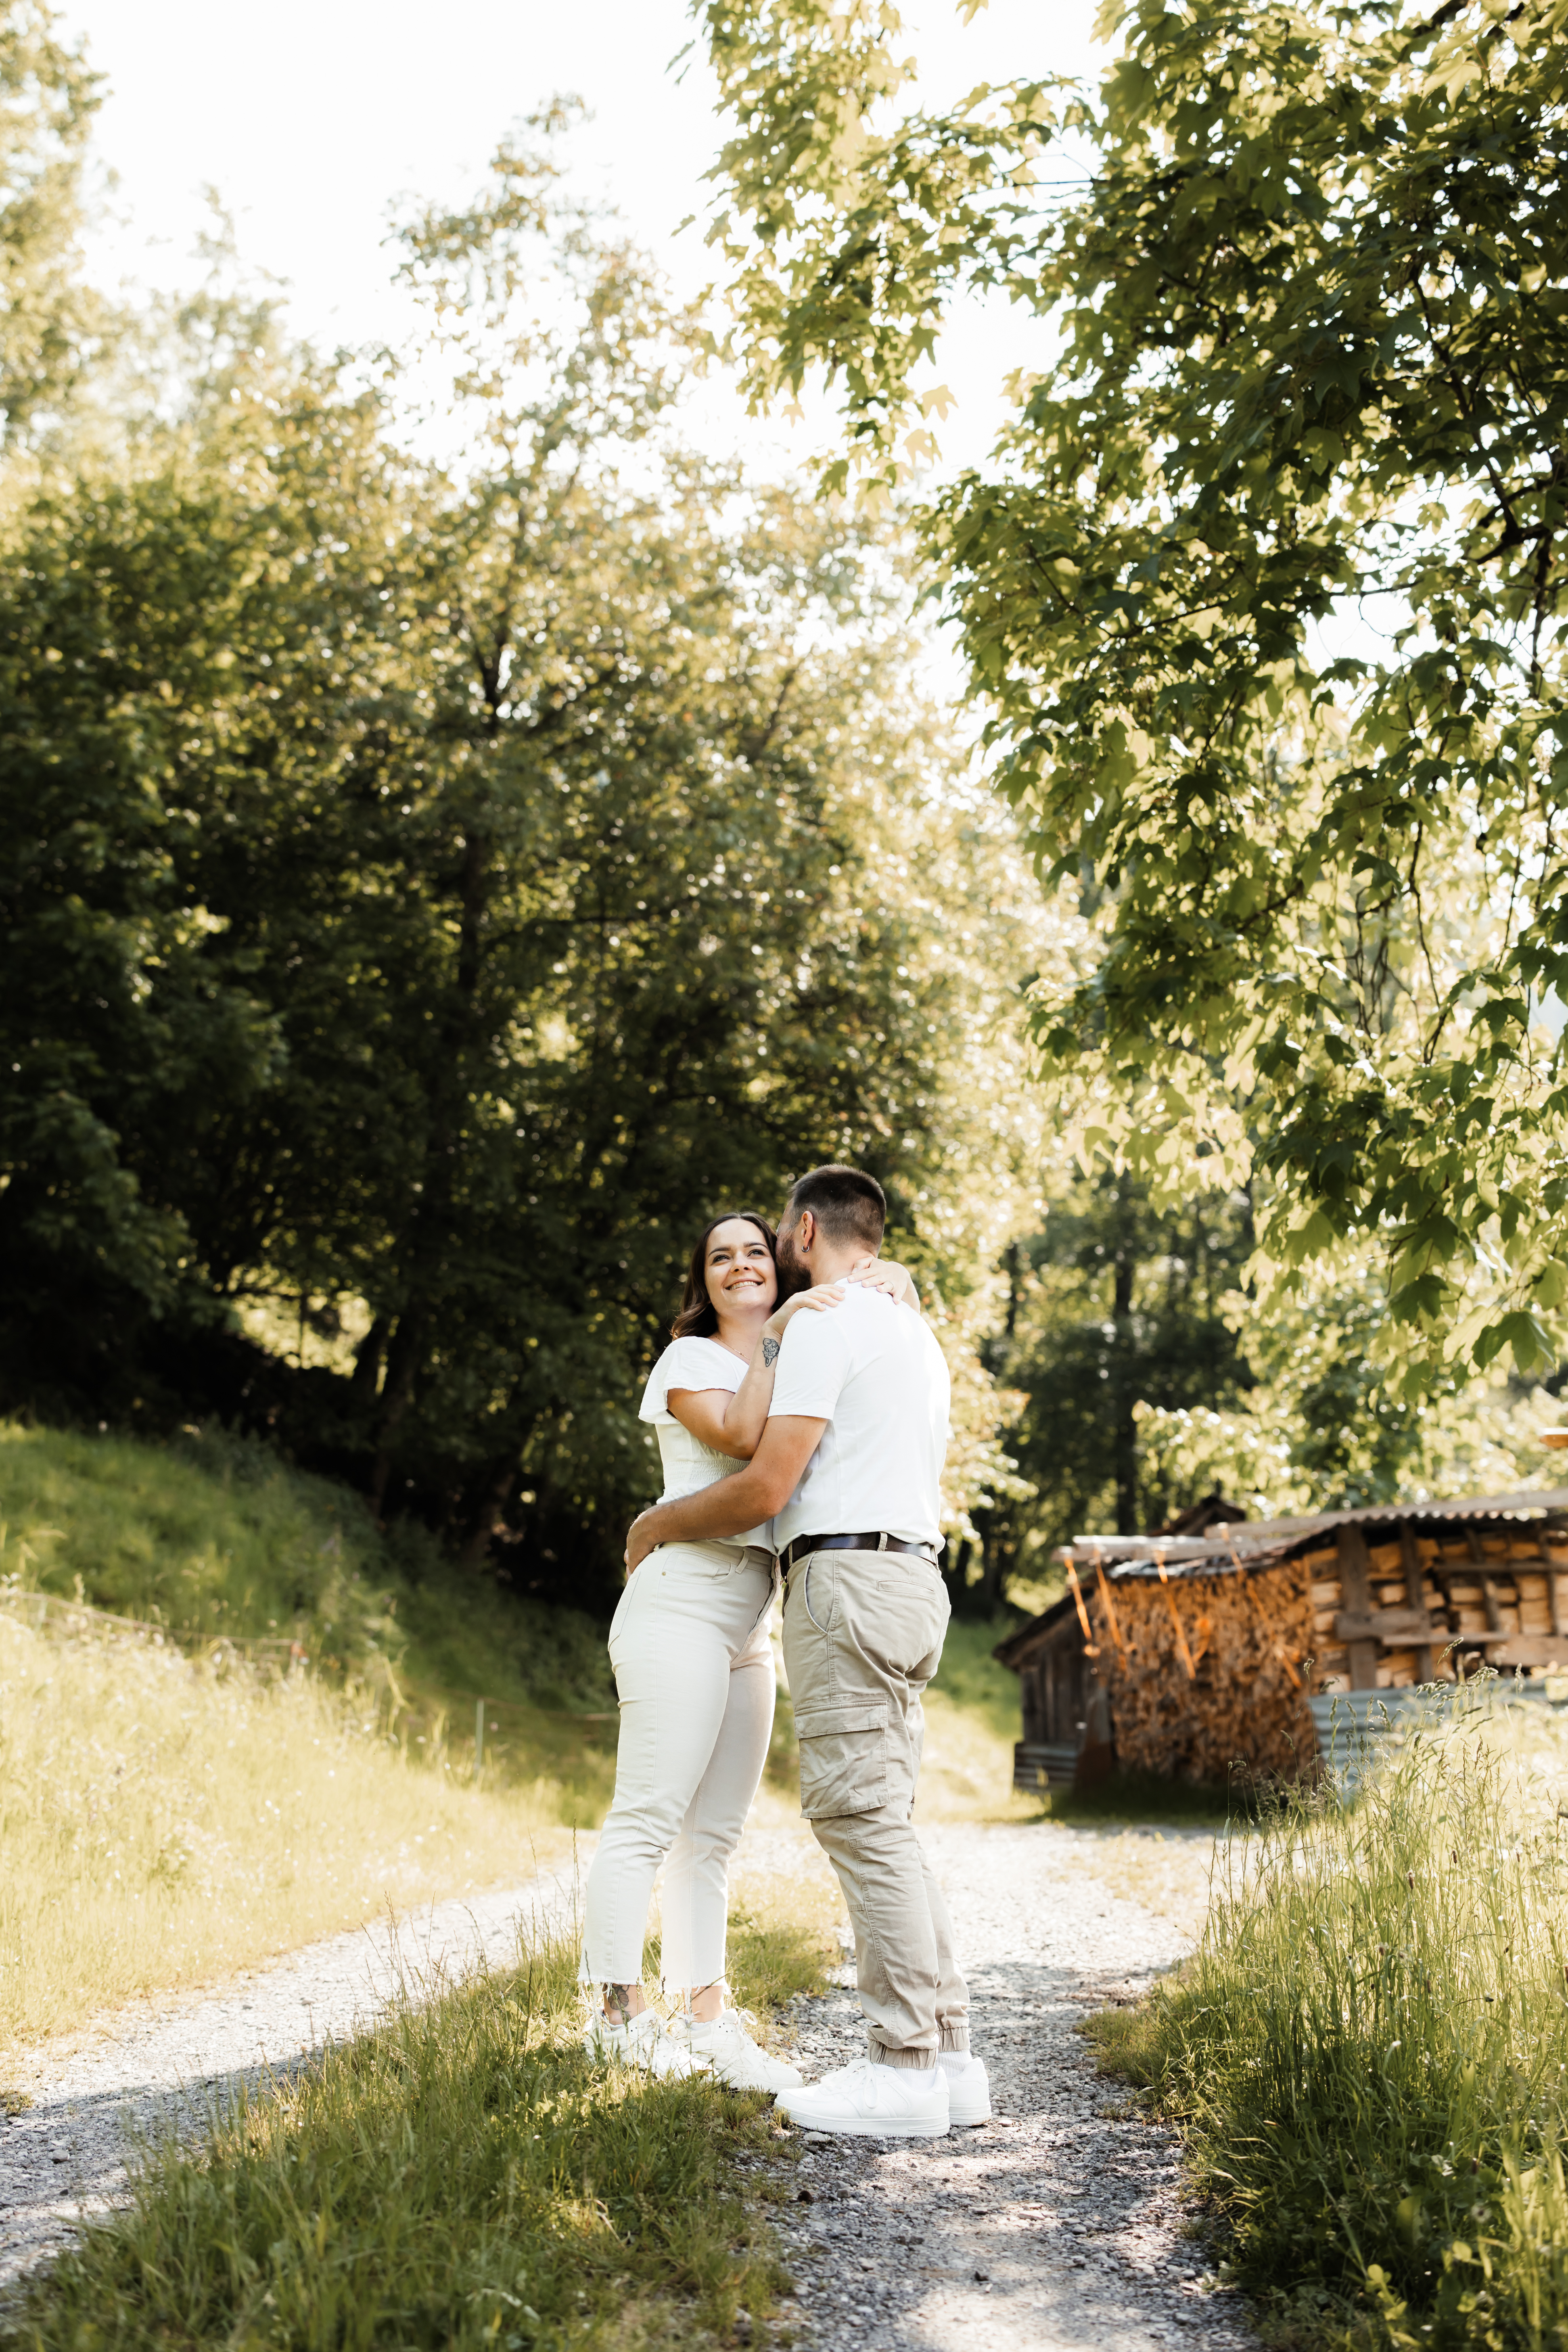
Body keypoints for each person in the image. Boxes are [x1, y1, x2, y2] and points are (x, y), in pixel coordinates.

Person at [625, 1165, 985, 2139]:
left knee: (857, 1816)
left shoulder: (822, 1324)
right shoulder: (914, 1331)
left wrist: (657, 1522)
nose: (769, 1251)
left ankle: (902, 2065)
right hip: (913, 1577)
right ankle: (947, 2057)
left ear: (805, 1227)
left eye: (778, 1232)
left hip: (848, 1581)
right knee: (888, 1819)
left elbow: (762, 1484)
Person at [582, 1206, 919, 2086]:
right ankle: (616, 2015)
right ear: (704, 1281)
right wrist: (776, 1328)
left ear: (781, 1258)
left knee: (713, 1839)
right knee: (648, 1814)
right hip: (680, 1600)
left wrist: (895, 1280)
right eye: (718, 1257)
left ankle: (705, 2017)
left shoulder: (802, 1341)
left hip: (751, 1618)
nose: (738, 1265)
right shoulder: (690, 1360)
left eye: (752, 1252)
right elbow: (740, 1443)